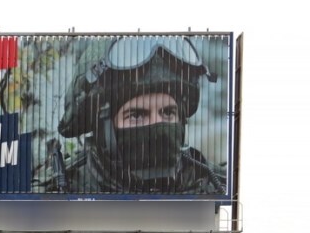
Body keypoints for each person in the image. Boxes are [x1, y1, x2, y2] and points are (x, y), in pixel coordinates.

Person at [41, 36, 225, 194]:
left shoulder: (213, 184)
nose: (157, 126)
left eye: (168, 112)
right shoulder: (60, 192)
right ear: (104, 127)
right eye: (136, 115)